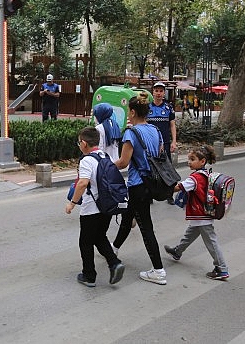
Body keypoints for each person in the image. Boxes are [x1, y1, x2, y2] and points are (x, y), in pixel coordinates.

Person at [111, 92, 168, 285]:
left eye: (129, 111)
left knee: (146, 227)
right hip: (151, 183)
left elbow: (123, 162)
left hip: (138, 185)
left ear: (133, 112)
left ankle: (159, 270)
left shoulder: (131, 133)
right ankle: (114, 248)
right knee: (128, 217)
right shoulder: (156, 131)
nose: (128, 114)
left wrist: (105, 165)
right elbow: (159, 156)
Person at [65, 127, 126, 287]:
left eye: (79, 142)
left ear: (84, 143)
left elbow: (83, 183)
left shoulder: (86, 160)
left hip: (91, 209)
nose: (79, 145)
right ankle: (114, 263)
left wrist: (72, 202)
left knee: (85, 242)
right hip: (106, 207)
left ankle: (89, 275)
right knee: (99, 237)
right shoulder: (104, 156)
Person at [163, 145, 229, 281]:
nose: (189, 162)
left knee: (211, 242)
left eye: (192, 159)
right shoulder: (205, 174)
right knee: (189, 235)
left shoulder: (196, 178)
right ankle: (177, 251)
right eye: (188, 159)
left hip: (201, 214)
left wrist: (162, 189)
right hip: (201, 214)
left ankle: (222, 269)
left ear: (202, 161)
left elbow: (179, 187)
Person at [147, 81, 177, 204]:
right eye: (156, 91)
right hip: (150, 144)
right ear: (152, 92)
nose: (158, 93)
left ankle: (169, 194)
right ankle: (149, 194)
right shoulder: (147, 107)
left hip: (165, 143)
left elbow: (172, 125)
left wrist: (174, 141)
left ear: (164, 93)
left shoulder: (168, 107)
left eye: (161, 91)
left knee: (167, 168)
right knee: (149, 169)